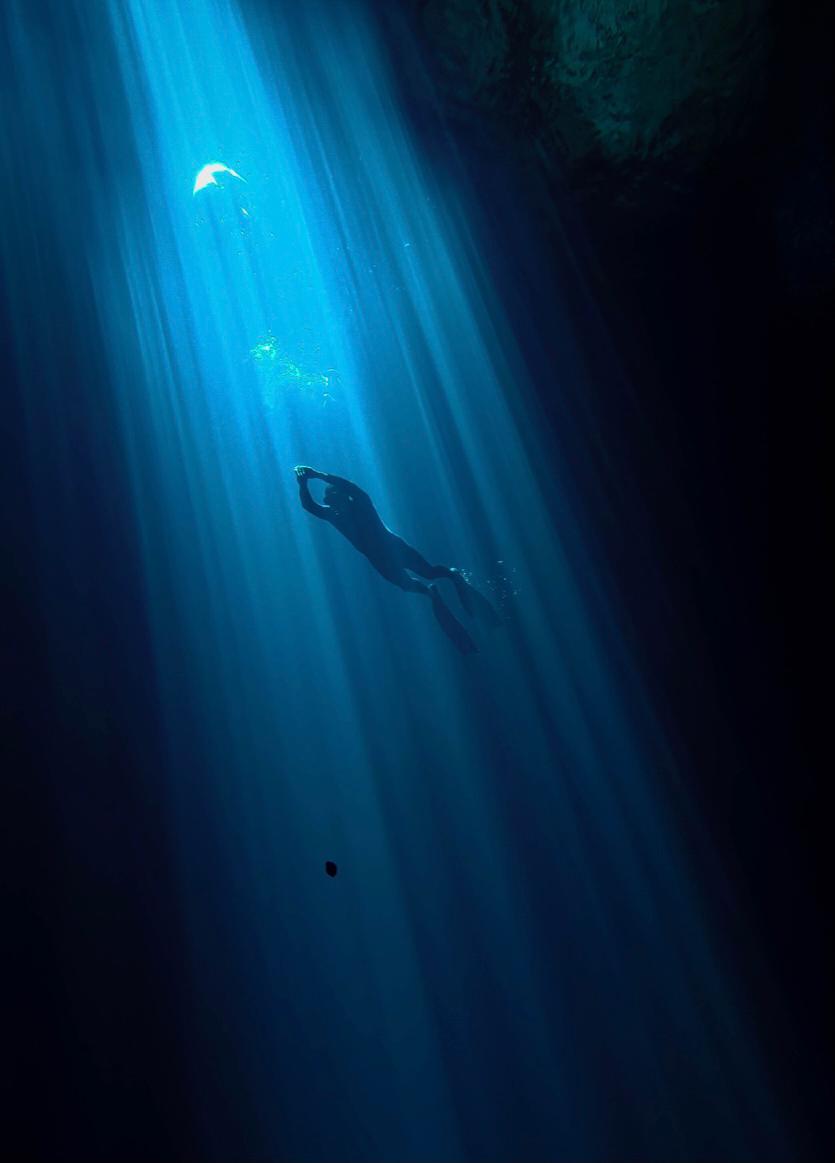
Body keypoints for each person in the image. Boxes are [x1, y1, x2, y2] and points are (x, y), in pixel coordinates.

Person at [294, 466, 499, 653]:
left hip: (396, 549)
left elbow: (351, 488)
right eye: (330, 500)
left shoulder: (361, 505)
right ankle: (432, 592)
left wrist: (318, 476)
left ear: (344, 498)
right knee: (409, 585)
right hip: (380, 560)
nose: (333, 503)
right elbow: (309, 506)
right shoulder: (333, 515)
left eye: (336, 498)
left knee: (429, 571)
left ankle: (452, 576)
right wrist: (303, 483)